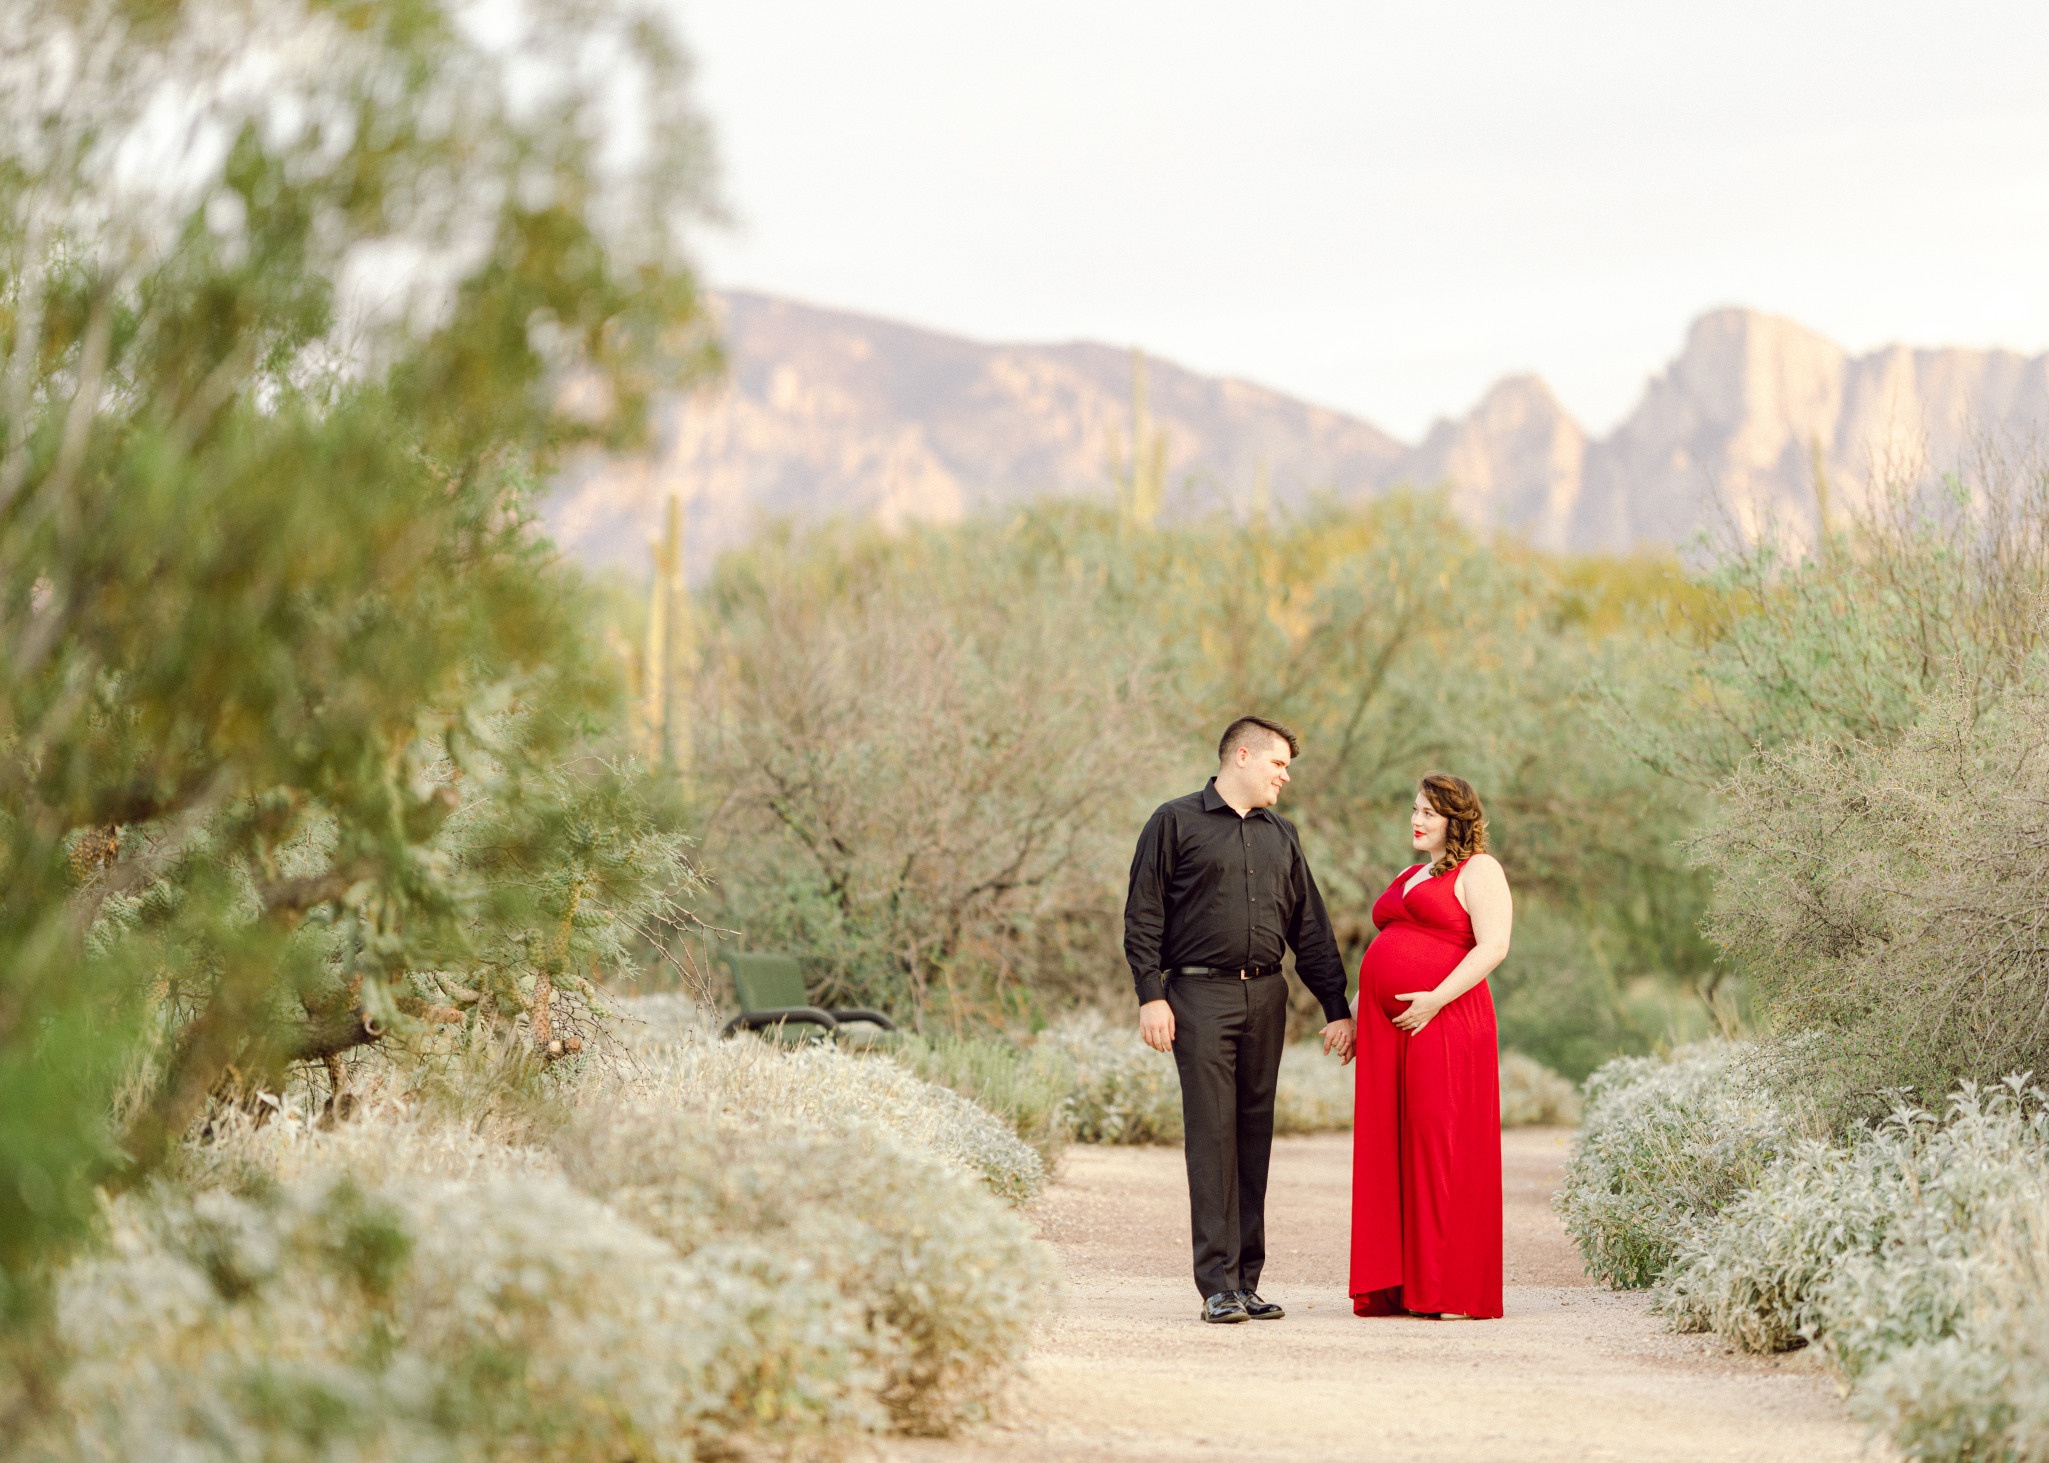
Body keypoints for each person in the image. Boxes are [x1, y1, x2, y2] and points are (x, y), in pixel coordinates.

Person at [1124, 715, 1357, 1324]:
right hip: (1197, 998)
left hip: (1267, 997)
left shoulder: (1283, 834)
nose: (1285, 776)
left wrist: (1337, 1007)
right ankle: (1216, 1287)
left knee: (1254, 1136)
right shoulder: (1174, 821)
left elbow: (1311, 927)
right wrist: (1152, 995)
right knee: (1212, 1136)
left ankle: (1247, 1280)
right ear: (1243, 756)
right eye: (1279, 764)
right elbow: (1143, 914)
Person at [1347, 773, 1512, 1320]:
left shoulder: (1479, 870)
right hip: (1390, 1030)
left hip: (1446, 1020)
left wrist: (1436, 998)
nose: (1416, 821)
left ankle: (1450, 1288)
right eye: (1414, 810)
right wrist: (1352, 1015)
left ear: (1455, 821)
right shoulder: (1410, 873)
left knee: (1440, 1141)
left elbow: (1494, 946)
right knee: (1392, 1145)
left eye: (1429, 813)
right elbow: (1383, 948)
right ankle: (1400, 1283)